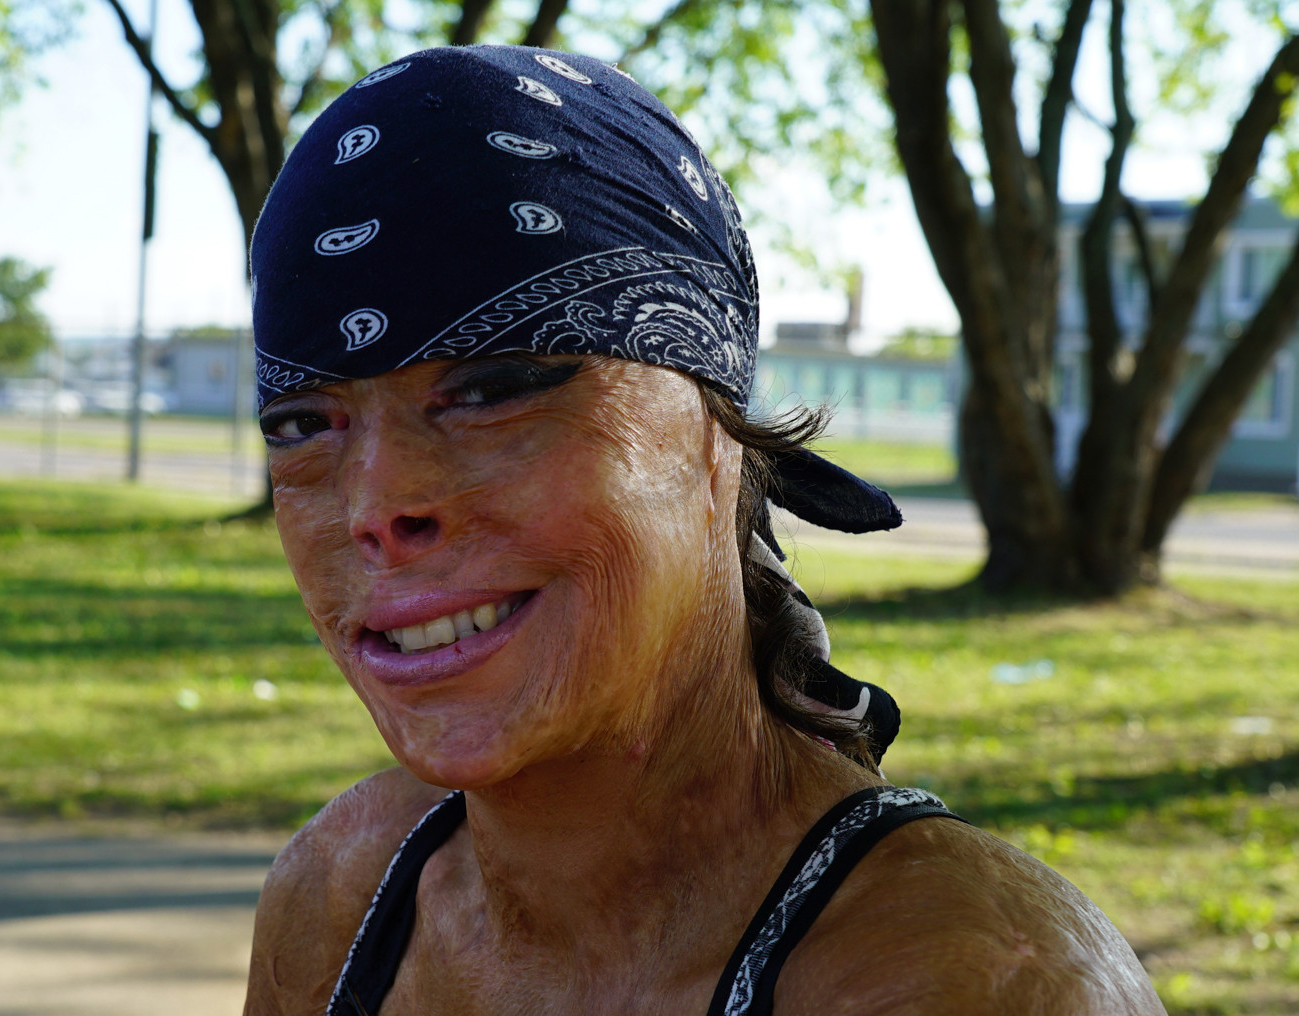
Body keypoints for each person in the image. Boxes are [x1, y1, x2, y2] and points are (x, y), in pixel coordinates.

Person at [241, 45, 1164, 1015]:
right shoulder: (342, 901)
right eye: (301, 425)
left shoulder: (968, 983)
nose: (375, 507)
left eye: (492, 389)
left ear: (715, 428)